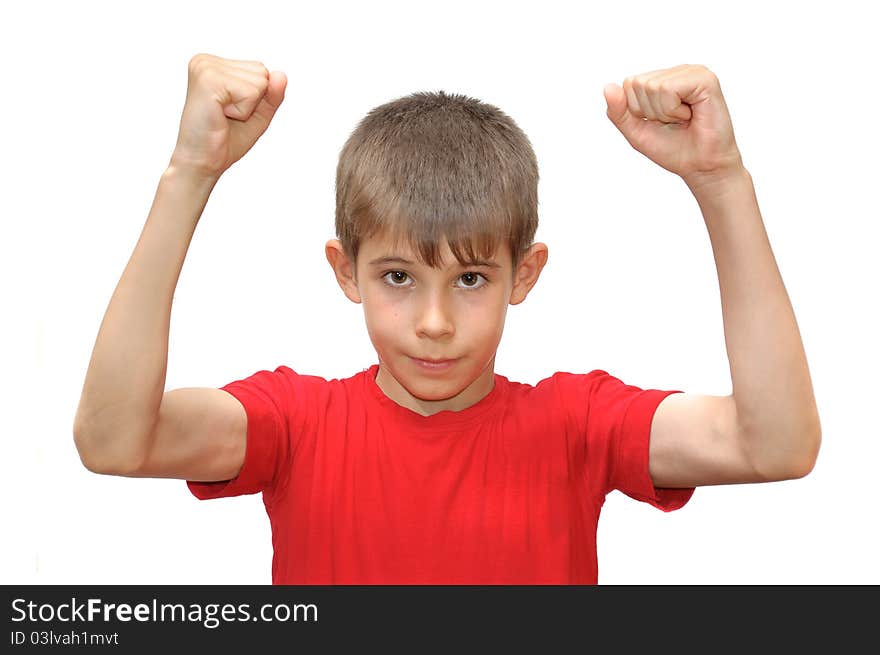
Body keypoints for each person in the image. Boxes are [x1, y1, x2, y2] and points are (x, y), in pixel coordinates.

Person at [72, 54, 822, 584]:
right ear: (346, 271)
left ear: (523, 275)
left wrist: (722, 182)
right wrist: (189, 173)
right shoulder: (296, 423)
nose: (433, 321)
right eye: (398, 276)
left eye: (469, 278)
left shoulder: (576, 424)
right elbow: (110, 440)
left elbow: (778, 444)